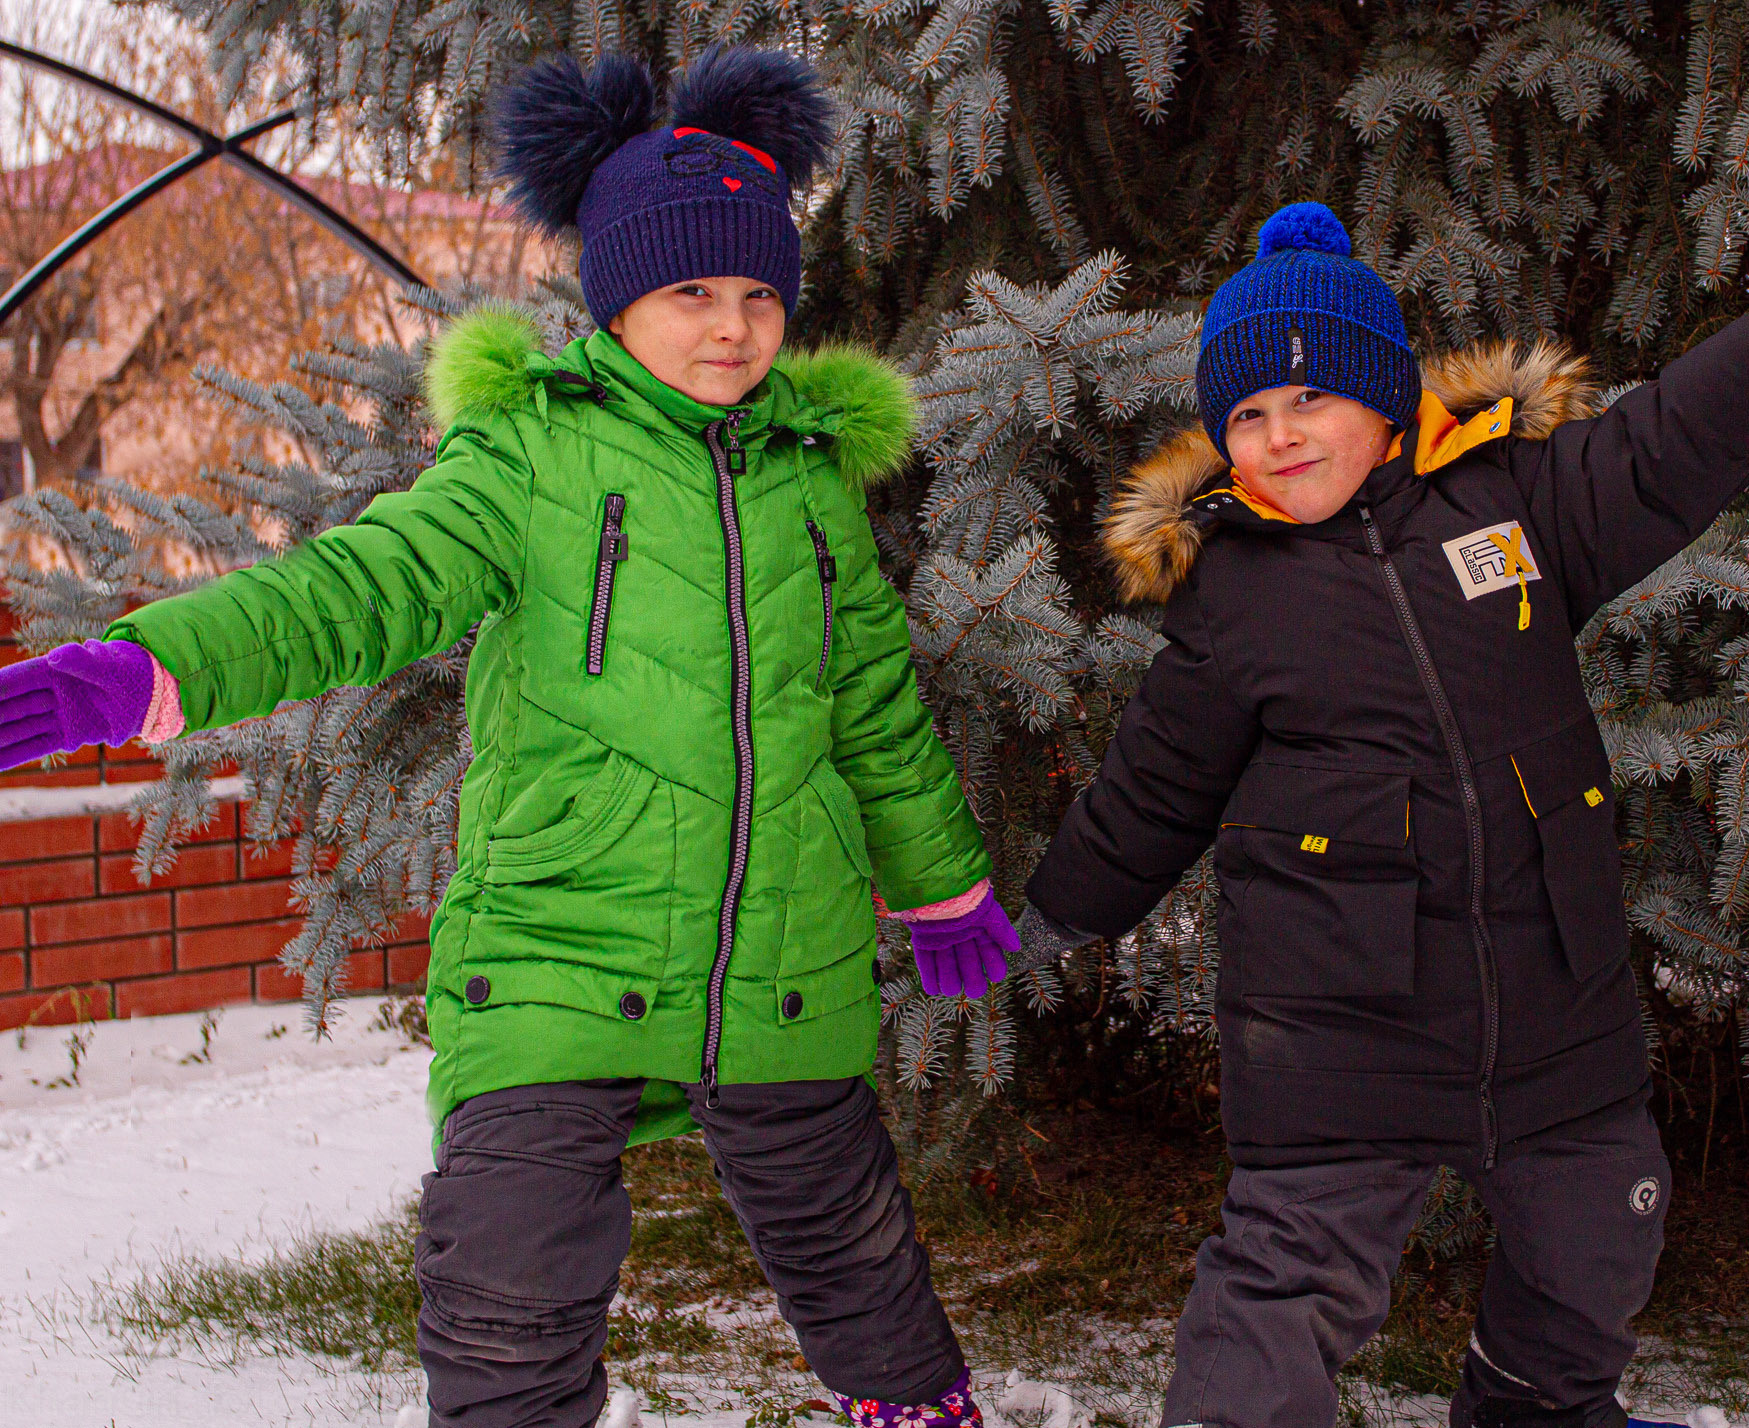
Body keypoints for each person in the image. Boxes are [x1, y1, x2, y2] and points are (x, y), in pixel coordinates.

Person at [0, 47, 1019, 1428]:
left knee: (857, 1259)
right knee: (505, 1282)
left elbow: (874, 711)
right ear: (614, 299)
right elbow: (355, 589)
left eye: (757, 295)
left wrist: (942, 881)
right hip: (554, 942)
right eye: (689, 293)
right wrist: (142, 670)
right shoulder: (526, 460)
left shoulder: (809, 485)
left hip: (784, 944)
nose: (730, 328)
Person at [1008, 202, 1749, 1428]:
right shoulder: (1230, 596)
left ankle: (1536, 1410)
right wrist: (1045, 918)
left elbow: (1653, 455)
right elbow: (1153, 783)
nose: (1279, 436)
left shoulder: (1513, 504)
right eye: (1246, 415)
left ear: (1385, 402)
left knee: (1599, 1230)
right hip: (1337, 1017)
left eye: (1309, 400)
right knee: (1282, 1285)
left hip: (1548, 986)